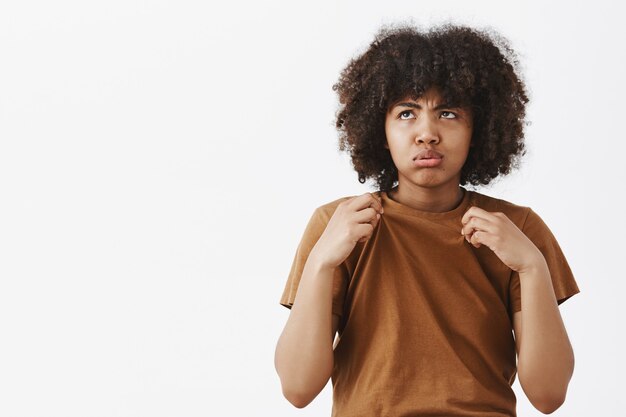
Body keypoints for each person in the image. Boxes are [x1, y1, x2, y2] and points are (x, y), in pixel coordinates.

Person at [274, 21, 580, 417]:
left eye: (448, 113)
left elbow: (549, 395)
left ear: (479, 128)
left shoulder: (517, 229)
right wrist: (320, 263)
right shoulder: (338, 225)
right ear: (380, 130)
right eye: (406, 113)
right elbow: (297, 389)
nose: (427, 133)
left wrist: (533, 267)